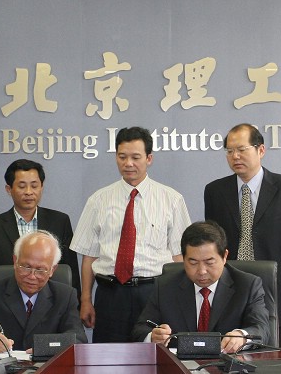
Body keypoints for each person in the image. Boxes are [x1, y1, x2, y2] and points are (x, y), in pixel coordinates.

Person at [70, 126, 191, 343]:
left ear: (149, 158)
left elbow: (178, 257)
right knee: (108, 357)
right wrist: (86, 299)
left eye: (135, 157)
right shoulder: (98, 200)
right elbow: (89, 256)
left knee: (155, 355)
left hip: (154, 293)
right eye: (122, 157)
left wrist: (179, 299)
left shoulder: (171, 199)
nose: (128, 163)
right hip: (110, 294)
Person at [204, 123, 281, 347]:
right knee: (229, 355)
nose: (235, 156)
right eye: (229, 151)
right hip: (230, 293)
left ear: (260, 150)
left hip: (276, 292)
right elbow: (214, 245)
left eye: (241, 149)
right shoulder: (215, 191)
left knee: (277, 359)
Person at [132, 221, 270, 353]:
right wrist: (153, 336)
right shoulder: (165, 286)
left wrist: (242, 336)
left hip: (228, 365)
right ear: (183, 259)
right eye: (193, 263)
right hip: (181, 365)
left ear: (224, 256)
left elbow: (261, 329)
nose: (202, 271)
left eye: (209, 262)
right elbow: (140, 329)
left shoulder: (247, 285)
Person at [0, 230, 86, 353]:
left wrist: (44, 348)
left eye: (40, 270)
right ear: (15, 261)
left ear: (52, 270)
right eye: (26, 267)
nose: (32, 276)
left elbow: (78, 338)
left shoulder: (65, 296)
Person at [0, 159, 81, 298]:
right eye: (21, 186)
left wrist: (76, 304)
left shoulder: (60, 221)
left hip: (52, 302)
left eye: (34, 186)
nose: (28, 192)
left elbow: (71, 273)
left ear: (41, 187)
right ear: (9, 189)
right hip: (5, 301)